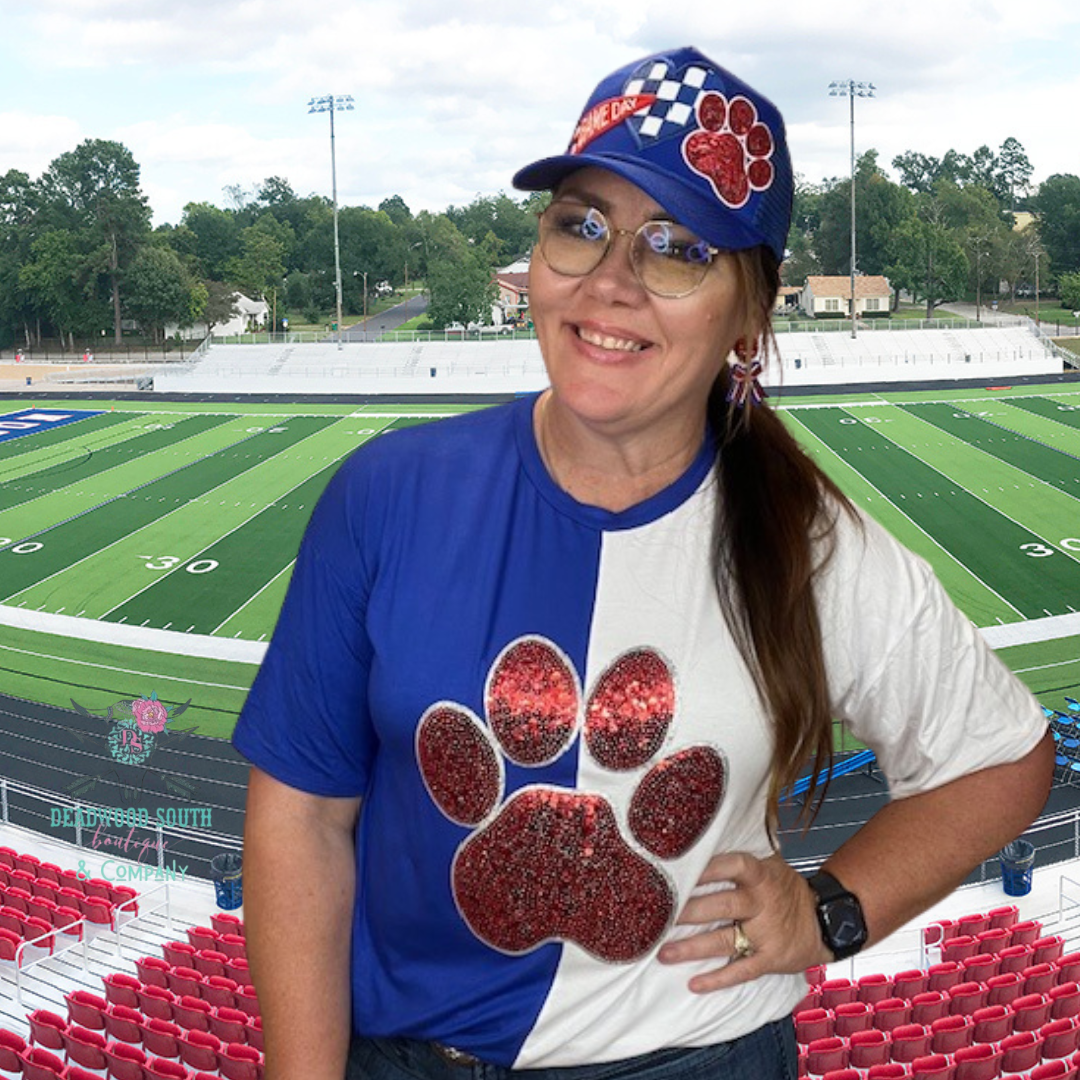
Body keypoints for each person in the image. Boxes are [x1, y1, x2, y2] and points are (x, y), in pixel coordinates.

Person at [233, 46, 1052, 1080]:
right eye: (581, 226)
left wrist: (832, 911)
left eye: (675, 249)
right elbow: (302, 820)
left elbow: (1003, 758)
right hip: (403, 1056)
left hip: (693, 1057)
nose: (611, 282)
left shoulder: (807, 546)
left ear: (751, 315)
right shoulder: (385, 496)